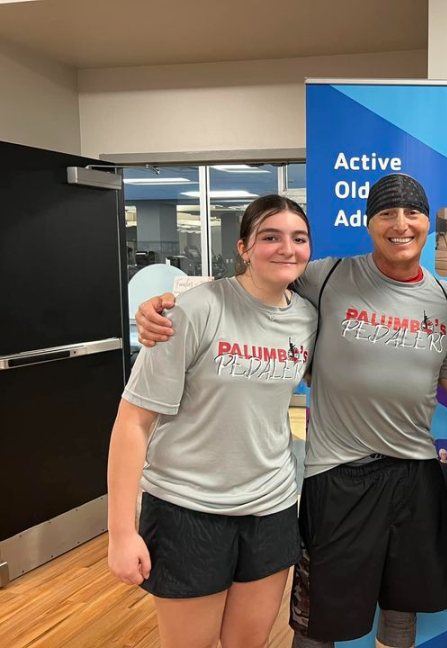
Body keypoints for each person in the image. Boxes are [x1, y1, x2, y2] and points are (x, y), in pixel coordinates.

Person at [135, 173, 447, 648]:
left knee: (403, 604)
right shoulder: (327, 275)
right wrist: (165, 306)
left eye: (412, 212)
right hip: (337, 473)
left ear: (427, 222)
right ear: (369, 223)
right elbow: (253, 286)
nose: (401, 223)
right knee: (318, 620)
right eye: (386, 213)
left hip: (414, 471)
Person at [108, 195, 316, 648]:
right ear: (243, 247)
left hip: (272, 507)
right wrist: (121, 532)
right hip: (189, 509)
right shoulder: (193, 310)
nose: (286, 248)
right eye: (270, 237)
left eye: (298, 238)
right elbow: (133, 422)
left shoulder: (306, 318)